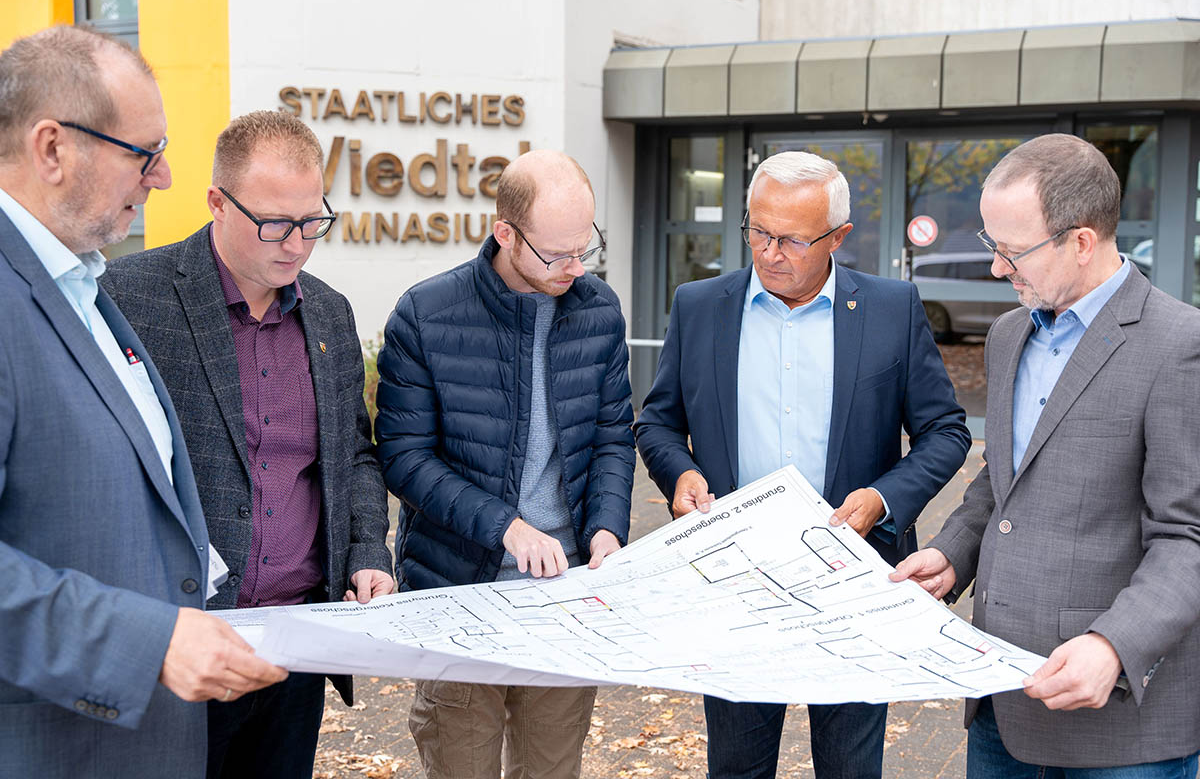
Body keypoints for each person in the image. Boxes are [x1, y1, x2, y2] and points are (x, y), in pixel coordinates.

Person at [0, 26, 287, 777]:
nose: (161, 179)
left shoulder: (81, 285)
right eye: (144, 153)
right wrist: (148, 642)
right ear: (53, 149)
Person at [635, 150, 970, 779]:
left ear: (837, 236)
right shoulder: (700, 305)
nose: (768, 252)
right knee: (736, 767)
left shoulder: (891, 309)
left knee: (849, 767)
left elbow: (945, 431)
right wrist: (679, 474)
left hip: (854, 582)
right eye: (758, 231)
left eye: (790, 238)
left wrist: (884, 498)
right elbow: (657, 421)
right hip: (735, 581)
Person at [891, 133, 1200, 777]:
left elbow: (1187, 536)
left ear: (1081, 241)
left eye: (1011, 251)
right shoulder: (1008, 335)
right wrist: (953, 553)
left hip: (1118, 729)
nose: (998, 269)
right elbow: (1002, 481)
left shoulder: (1180, 346)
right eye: (990, 246)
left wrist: (1116, 644)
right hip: (999, 708)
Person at [100, 110, 394, 778]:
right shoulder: (130, 297)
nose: (295, 245)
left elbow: (353, 457)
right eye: (274, 224)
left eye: (312, 221)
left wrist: (366, 552)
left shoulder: (329, 312)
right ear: (216, 203)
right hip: (181, 644)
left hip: (294, 645)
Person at [374, 149, 635, 779]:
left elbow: (611, 439)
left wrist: (606, 528)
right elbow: (404, 459)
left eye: (587, 249)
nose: (576, 268)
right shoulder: (425, 314)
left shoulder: (598, 312)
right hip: (457, 592)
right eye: (558, 255)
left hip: (566, 601)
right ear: (506, 234)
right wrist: (507, 528)